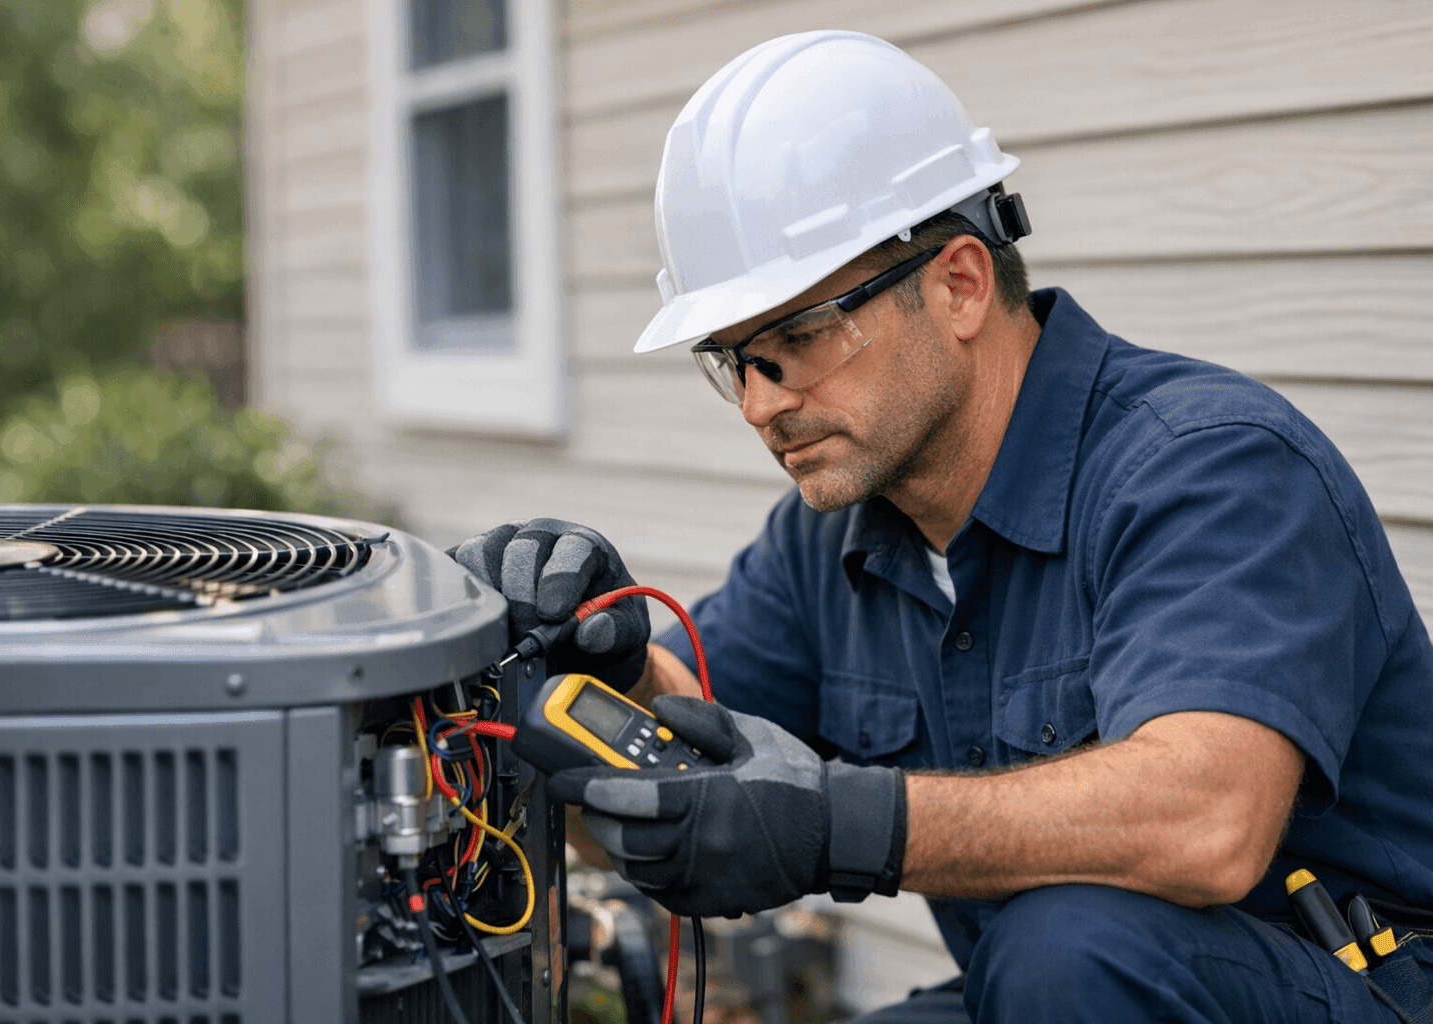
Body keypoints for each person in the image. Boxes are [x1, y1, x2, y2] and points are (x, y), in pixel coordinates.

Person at [453, 31, 1433, 1023]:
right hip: (1047, 988)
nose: (759, 404)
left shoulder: (1211, 467)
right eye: (734, 360)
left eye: (795, 340)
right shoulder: (827, 542)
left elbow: (1206, 820)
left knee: (1070, 946)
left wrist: (844, 824)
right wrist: (597, 665)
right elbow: (691, 775)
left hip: (1347, 986)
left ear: (960, 284)